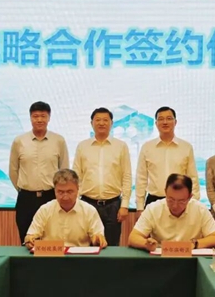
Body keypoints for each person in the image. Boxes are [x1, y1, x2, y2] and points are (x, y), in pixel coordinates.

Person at [9, 101, 69, 244]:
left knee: (52, 239)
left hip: (51, 197)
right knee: (27, 240)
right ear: (30, 118)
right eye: (36, 116)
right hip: (26, 199)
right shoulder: (19, 141)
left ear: (49, 118)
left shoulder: (58, 141)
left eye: (43, 116)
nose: (39, 120)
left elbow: (64, 170)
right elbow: (13, 170)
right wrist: (23, 189)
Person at [73, 107, 132, 246]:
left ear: (112, 123)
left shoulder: (121, 146)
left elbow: (127, 176)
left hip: (113, 205)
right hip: (88, 203)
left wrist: (124, 205)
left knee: (111, 246)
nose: (101, 123)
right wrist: (76, 203)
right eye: (98, 120)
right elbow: (76, 176)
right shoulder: (82, 146)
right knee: (86, 244)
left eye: (105, 120)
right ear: (91, 123)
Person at [128, 174, 215, 251]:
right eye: (171, 200)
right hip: (161, 258)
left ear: (190, 197)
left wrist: (195, 244)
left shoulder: (200, 209)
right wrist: (146, 244)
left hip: (191, 258)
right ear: (165, 192)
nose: (175, 206)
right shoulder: (153, 209)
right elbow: (133, 237)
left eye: (181, 201)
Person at [135, 106, 200, 214]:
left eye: (169, 118)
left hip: (179, 202)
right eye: (161, 119)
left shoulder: (186, 147)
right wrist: (140, 206)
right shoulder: (147, 147)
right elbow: (141, 178)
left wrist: (194, 203)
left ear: (175, 122)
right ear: (156, 123)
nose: (165, 122)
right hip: (154, 201)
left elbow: (192, 177)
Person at [24, 169, 107, 249]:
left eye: (70, 192)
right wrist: (30, 240)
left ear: (78, 189)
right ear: (54, 191)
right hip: (51, 255)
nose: (65, 197)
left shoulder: (89, 211)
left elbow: (98, 237)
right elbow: (30, 236)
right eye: (60, 192)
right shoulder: (44, 210)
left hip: (79, 256)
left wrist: (98, 240)